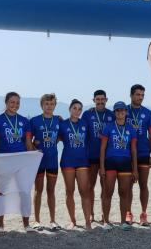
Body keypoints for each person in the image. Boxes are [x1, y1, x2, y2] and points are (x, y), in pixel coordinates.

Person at [0, 92, 32, 233]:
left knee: (24, 192)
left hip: (20, 161)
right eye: (12, 102)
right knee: (1, 193)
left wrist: (34, 153)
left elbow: (27, 144)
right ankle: (0, 225)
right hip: (4, 161)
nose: (15, 105)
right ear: (6, 102)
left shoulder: (24, 121)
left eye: (17, 103)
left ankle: (26, 224)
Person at [99, 102, 138, 230]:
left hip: (125, 164)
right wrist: (102, 167)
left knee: (124, 193)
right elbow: (103, 148)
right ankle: (106, 221)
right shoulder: (108, 127)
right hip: (110, 163)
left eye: (122, 111)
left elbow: (133, 150)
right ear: (114, 113)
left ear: (126, 112)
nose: (120, 113)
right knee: (107, 192)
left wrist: (135, 169)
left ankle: (123, 222)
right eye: (117, 111)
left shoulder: (131, 129)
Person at [29, 93, 61, 232]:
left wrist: (53, 142)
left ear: (55, 105)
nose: (49, 106)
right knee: (38, 190)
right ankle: (36, 220)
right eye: (47, 104)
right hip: (39, 161)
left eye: (52, 104)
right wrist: (35, 146)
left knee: (51, 191)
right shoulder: (35, 121)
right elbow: (28, 141)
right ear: (42, 105)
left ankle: (53, 220)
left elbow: (61, 135)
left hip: (53, 160)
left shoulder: (58, 120)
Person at [59, 99, 92, 230]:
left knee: (85, 192)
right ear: (69, 109)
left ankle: (88, 222)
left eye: (79, 109)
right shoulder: (63, 124)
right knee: (69, 191)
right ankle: (73, 221)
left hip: (83, 161)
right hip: (67, 161)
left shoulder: (85, 123)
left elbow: (91, 139)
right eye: (74, 108)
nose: (77, 111)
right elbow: (55, 138)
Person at [126, 84, 151, 226]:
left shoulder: (148, 113)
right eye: (138, 94)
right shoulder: (123, 110)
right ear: (131, 95)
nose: (140, 97)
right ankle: (128, 213)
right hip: (126, 154)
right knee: (129, 185)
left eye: (142, 95)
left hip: (143, 152)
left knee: (143, 185)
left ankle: (143, 214)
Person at [85, 89, 113, 223]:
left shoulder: (112, 115)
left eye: (103, 99)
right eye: (98, 99)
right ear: (94, 100)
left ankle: (103, 213)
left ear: (106, 100)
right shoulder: (87, 114)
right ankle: (91, 213)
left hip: (107, 157)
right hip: (91, 155)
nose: (100, 102)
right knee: (90, 186)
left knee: (105, 187)